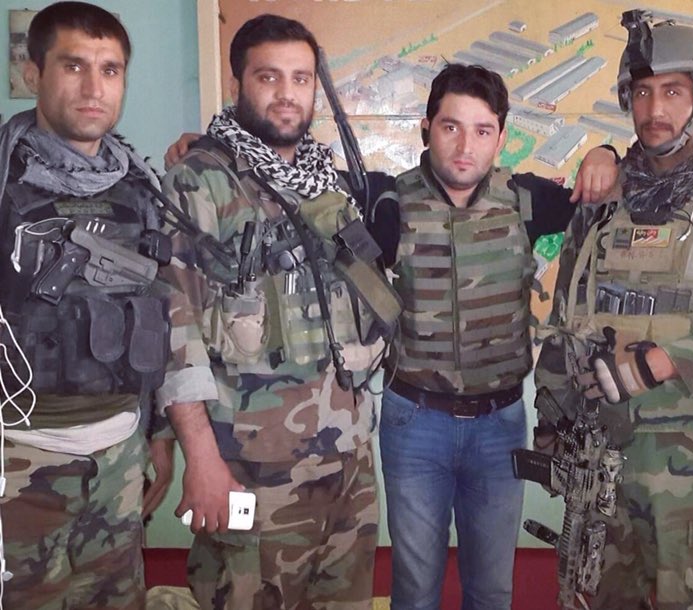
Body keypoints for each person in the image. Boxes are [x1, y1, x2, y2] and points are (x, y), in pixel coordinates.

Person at [535, 15, 693, 609]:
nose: (655, 109)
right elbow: (567, 316)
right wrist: (550, 423)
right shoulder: (603, 200)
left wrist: (668, 361)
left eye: (673, 91)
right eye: (642, 92)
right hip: (599, 460)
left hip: (692, 466)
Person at [158, 14, 401, 609]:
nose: (287, 93)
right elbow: (173, 330)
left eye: (301, 78)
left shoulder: (330, 185)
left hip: (346, 462)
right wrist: (201, 461)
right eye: (268, 77)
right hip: (252, 469)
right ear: (237, 83)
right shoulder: (202, 183)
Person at [370, 63, 618, 610]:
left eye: (483, 130)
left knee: (491, 591)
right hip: (415, 423)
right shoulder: (387, 199)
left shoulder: (525, 199)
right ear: (426, 129)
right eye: (451, 127)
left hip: (498, 427)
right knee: (414, 591)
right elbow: (292, 177)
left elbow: (614, 192)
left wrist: (606, 153)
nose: (466, 146)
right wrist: (206, 148)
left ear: (501, 138)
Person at [0, 2, 182, 607]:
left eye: (110, 69)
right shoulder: (4, 180)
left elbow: (156, 314)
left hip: (118, 456)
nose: (93, 87)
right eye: (73, 65)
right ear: (33, 73)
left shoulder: (139, 189)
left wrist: (157, 432)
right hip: (20, 459)